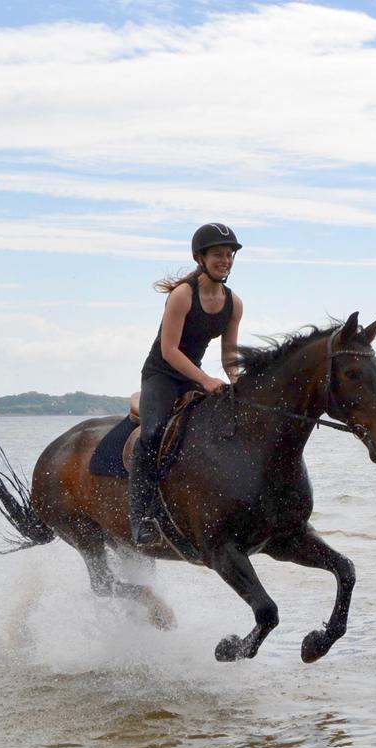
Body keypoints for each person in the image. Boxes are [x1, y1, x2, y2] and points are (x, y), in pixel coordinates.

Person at [128, 222, 244, 545]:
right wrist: (205, 379)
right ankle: (141, 519)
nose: (226, 260)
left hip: (195, 376)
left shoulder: (234, 303)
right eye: (219, 254)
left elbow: (230, 357)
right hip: (161, 376)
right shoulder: (182, 296)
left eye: (230, 254)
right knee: (152, 434)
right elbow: (169, 351)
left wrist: (239, 383)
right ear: (200, 257)